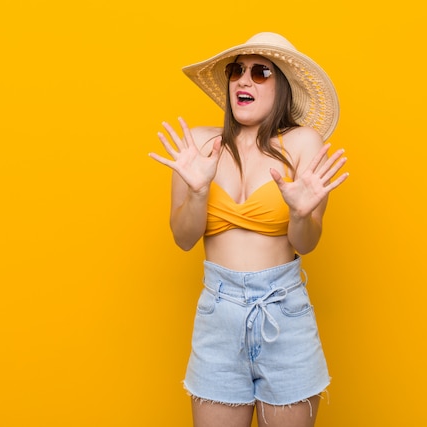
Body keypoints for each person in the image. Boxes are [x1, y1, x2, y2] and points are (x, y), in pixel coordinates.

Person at [149, 32, 348, 427]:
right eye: (236, 70)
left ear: (283, 87)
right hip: (218, 313)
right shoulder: (200, 146)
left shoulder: (304, 143)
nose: (244, 80)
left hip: (283, 312)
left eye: (261, 72)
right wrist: (198, 190)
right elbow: (184, 238)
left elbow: (306, 242)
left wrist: (299, 215)